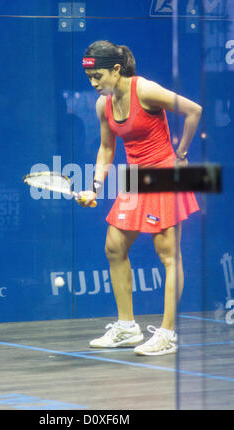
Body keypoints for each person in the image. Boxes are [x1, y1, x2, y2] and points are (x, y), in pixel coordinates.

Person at [78, 40, 202, 356]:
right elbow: (107, 149)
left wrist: (182, 154)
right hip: (134, 179)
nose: (94, 84)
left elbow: (193, 110)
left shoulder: (145, 90)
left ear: (116, 70)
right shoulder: (102, 105)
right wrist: (94, 186)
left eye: (99, 77)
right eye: (90, 79)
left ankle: (168, 333)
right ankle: (126, 327)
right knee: (114, 246)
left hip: (162, 173)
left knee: (167, 254)